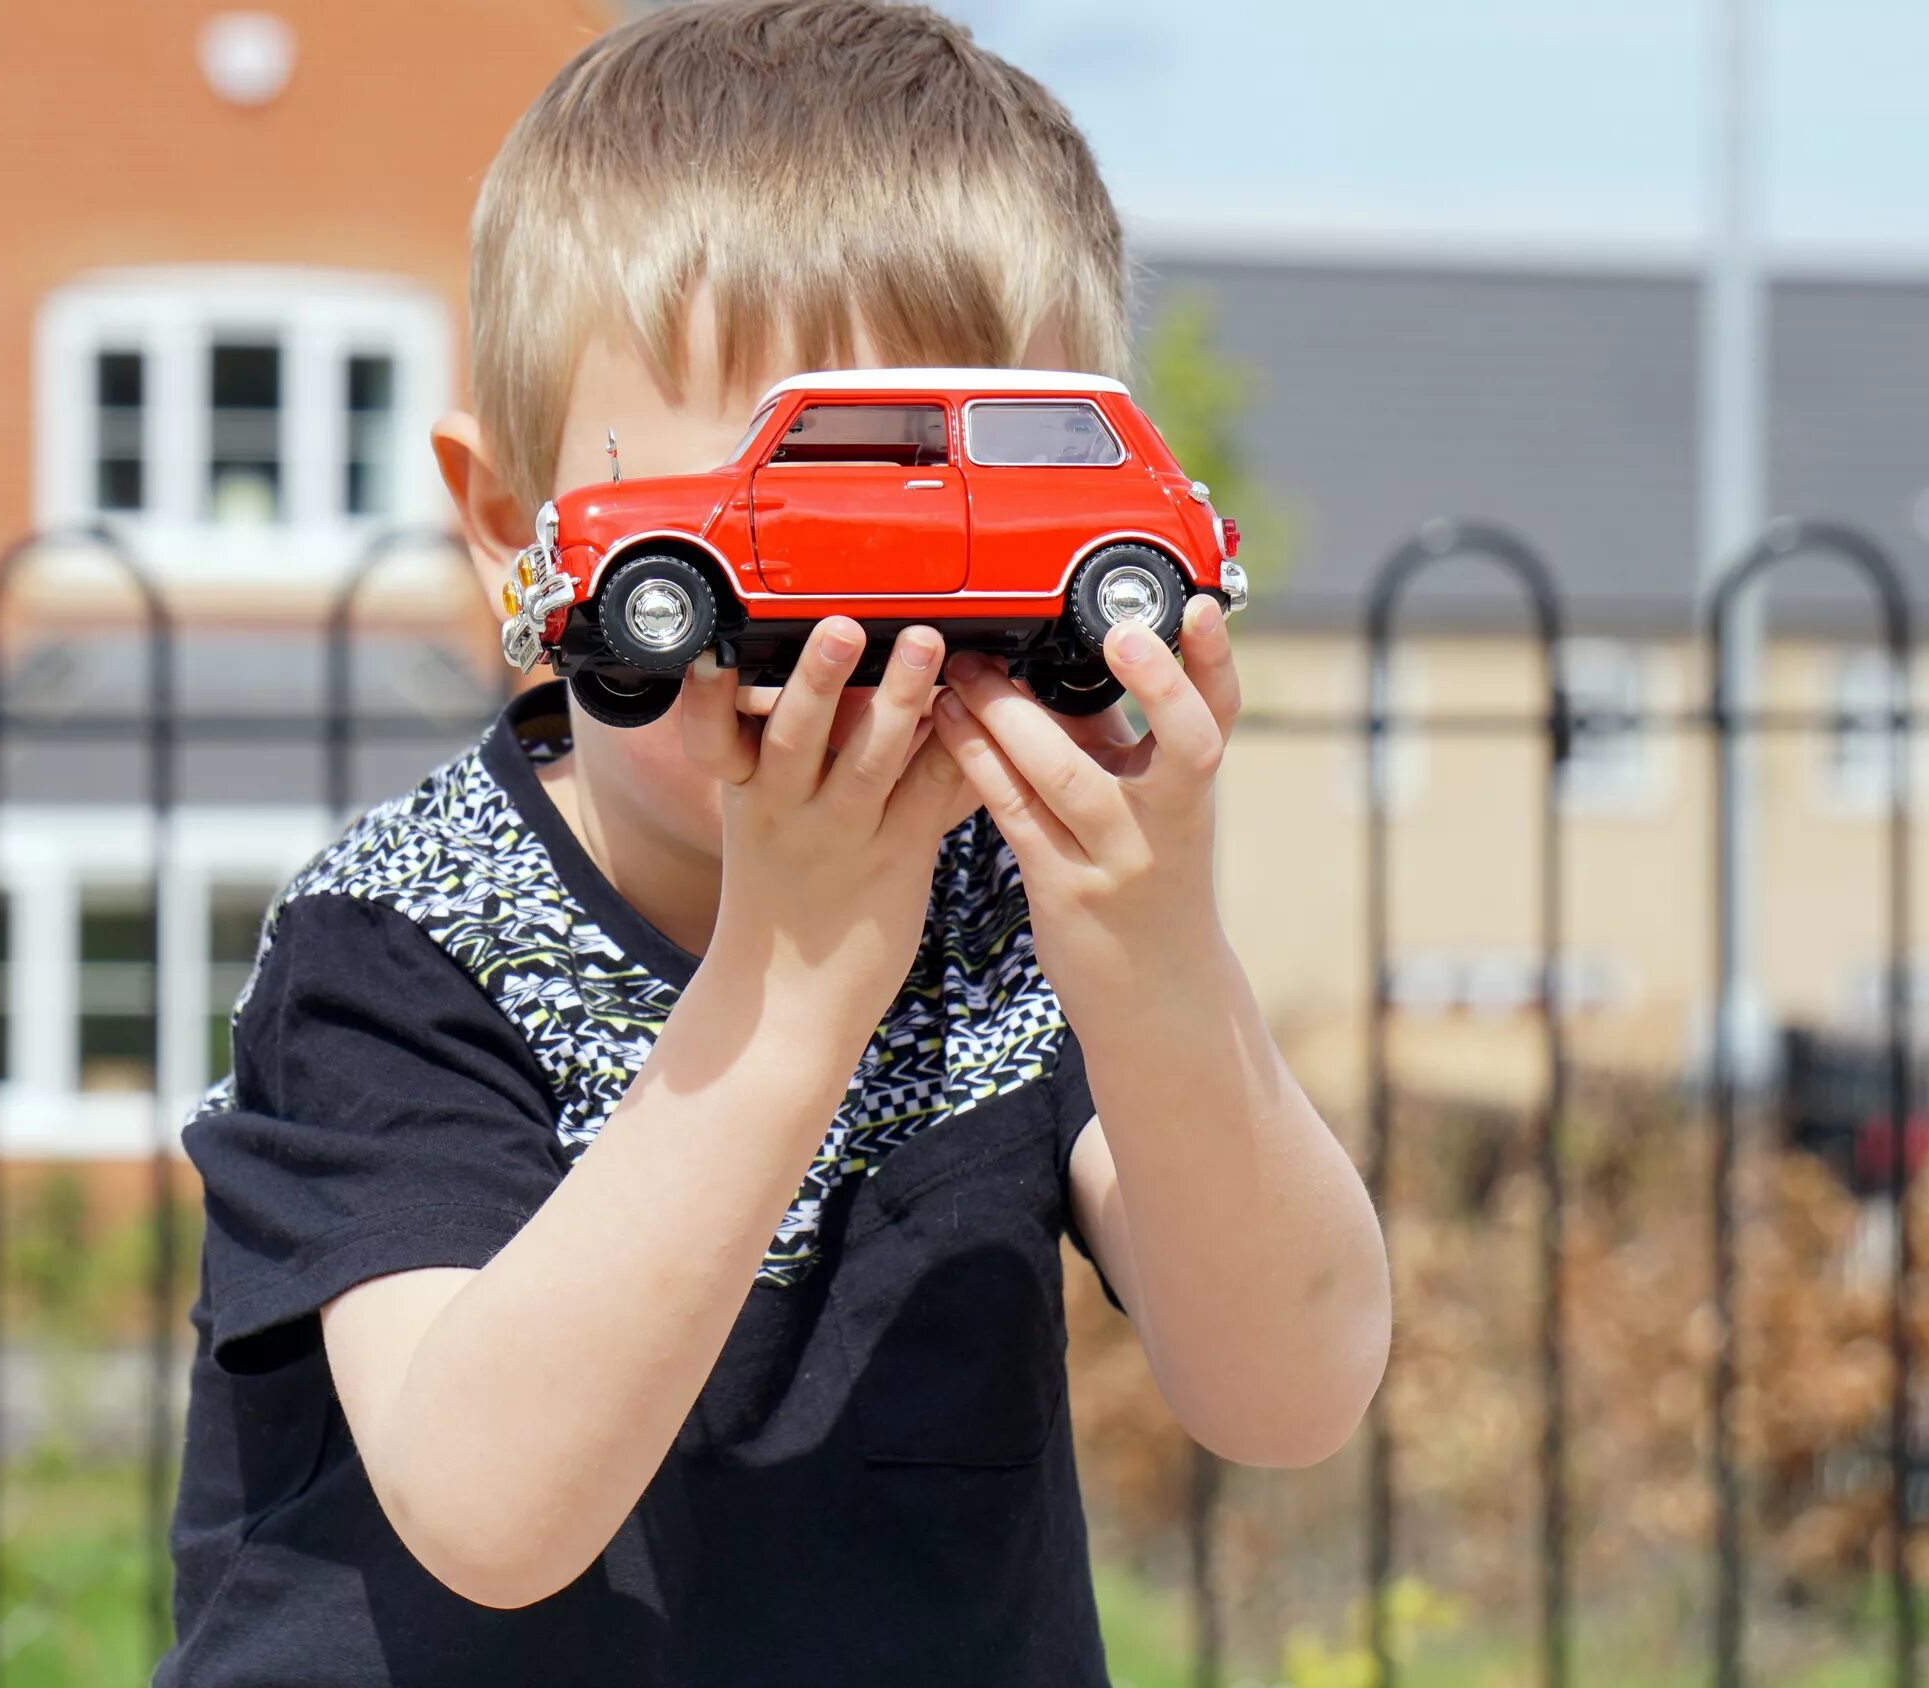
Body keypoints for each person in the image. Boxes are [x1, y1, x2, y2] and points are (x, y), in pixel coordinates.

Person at [162, 4, 1389, 1683]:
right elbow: (491, 1508)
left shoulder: (1014, 921)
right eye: (797, 586)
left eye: (945, 595)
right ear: (517, 529)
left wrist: (1153, 948)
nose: (860, 653)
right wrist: (796, 981)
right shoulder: (411, 935)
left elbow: (1290, 1389)